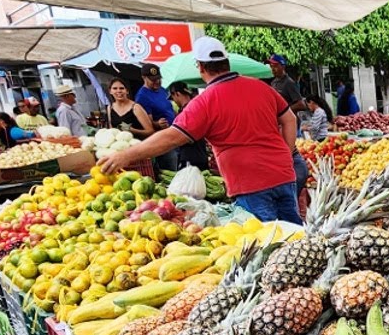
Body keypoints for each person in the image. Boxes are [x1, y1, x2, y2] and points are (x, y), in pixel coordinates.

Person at [96, 37, 299, 223]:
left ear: (200, 67)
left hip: (251, 182)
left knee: (269, 242)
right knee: (296, 234)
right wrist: (286, 153)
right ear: (227, 62)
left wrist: (126, 155)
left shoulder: (205, 101)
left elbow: (172, 138)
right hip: (283, 173)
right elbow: (290, 119)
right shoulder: (260, 87)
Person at [267, 55, 308, 195]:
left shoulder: (288, 83)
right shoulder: (274, 83)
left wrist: (285, 111)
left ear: (283, 66)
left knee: (289, 154)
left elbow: (301, 104)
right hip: (278, 125)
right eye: (271, 65)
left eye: (275, 65)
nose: (273, 68)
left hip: (288, 125)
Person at [134, 65, 177, 172]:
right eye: (153, 80)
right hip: (163, 140)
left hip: (174, 133)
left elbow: (169, 108)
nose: (157, 82)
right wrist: (158, 124)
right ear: (144, 78)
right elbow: (148, 123)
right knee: (171, 171)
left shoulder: (162, 90)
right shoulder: (142, 96)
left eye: (159, 78)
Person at [166, 81, 209, 170]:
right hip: (201, 155)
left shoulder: (186, 112)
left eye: (173, 97)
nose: (174, 100)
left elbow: (187, 137)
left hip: (191, 158)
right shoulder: (197, 107)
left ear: (177, 94)